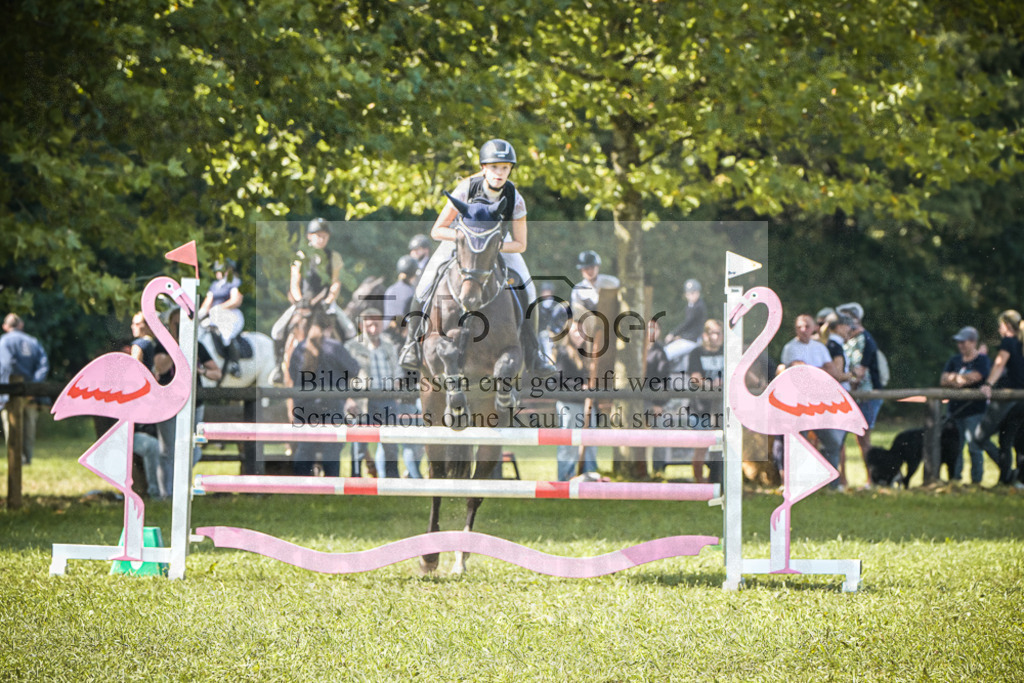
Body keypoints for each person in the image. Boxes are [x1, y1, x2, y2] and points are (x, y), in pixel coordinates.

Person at [399, 139, 557, 376]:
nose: (499, 173)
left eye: (505, 168)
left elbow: (521, 244)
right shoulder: (466, 188)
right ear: (484, 168)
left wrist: (490, 246)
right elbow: (437, 230)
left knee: (530, 290)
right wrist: (469, 240)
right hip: (459, 245)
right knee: (424, 285)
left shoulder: (516, 198)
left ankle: (533, 352)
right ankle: (411, 345)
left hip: (496, 248)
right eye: (494, 167)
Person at [271, 219, 356, 377]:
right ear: (310, 236)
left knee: (350, 330)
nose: (321, 239)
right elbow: (295, 282)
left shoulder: (334, 257)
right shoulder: (301, 256)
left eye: (324, 236)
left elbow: (336, 283)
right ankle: (278, 368)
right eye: (318, 235)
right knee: (277, 330)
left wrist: (329, 301)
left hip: (325, 302)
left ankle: (348, 366)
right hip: (304, 302)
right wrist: (299, 299)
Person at [153, 307, 222, 496]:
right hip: (168, 404)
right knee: (168, 451)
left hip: (194, 404)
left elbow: (217, 373)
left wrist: (202, 371)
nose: (180, 327)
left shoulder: (197, 345)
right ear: (170, 325)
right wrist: (176, 346)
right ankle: (166, 494)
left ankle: (181, 490)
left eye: (184, 323)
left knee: (193, 450)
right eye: (176, 324)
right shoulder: (162, 345)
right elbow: (161, 367)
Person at [778, 313, 845, 486]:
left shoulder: (820, 348)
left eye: (806, 326)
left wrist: (813, 371)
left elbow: (833, 372)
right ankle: (798, 485)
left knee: (832, 443)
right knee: (799, 445)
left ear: (814, 327)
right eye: (799, 326)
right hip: (799, 406)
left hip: (818, 405)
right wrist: (819, 370)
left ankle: (831, 484)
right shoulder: (790, 348)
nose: (803, 330)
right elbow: (799, 372)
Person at [288, 321, 361, 477]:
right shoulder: (334, 347)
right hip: (331, 405)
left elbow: (292, 374)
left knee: (304, 448)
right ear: (329, 327)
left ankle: (300, 486)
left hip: (304, 406)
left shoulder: (300, 347)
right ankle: (331, 484)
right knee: (331, 447)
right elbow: (354, 369)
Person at [346, 308, 402, 478]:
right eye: (369, 325)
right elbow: (343, 377)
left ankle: (393, 483)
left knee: (391, 445)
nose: (373, 329)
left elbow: (397, 372)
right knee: (359, 446)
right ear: (362, 326)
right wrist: (349, 399)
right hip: (363, 401)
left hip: (387, 400)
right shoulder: (352, 347)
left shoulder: (388, 346)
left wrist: (397, 387)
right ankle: (355, 481)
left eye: (376, 324)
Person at [975, 310, 1024, 487]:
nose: (998, 328)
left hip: (1008, 397)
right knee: (1008, 439)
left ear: (1007, 325)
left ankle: (1008, 475)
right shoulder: (1021, 343)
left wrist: (988, 384)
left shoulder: (1009, 342)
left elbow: (999, 364)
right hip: (1022, 401)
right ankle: (1010, 480)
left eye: (1000, 325)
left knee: (980, 437)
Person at [836, 302, 884, 484]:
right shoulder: (846, 342)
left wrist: (844, 378)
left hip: (866, 397)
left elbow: (860, 372)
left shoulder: (865, 339)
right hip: (852, 396)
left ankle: (871, 479)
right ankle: (842, 480)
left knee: (863, 439)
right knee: (840, 438)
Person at [940, 326, 990, 485]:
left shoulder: (981, 360)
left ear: (973, 342)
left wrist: (954, 378)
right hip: (954, 412)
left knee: (974, 447)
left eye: (964, 342)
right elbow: (943, 380)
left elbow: (977, 376)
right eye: (959, 342)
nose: (960, 345)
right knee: (955, 448)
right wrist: (960, 379)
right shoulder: (954, 360)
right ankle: (955, 479)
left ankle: (976, 481)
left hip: (974, 411)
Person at [0, 313, 50, 465]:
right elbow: (43, 365)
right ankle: (27, 459)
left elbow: (6, 365)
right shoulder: (33, 342)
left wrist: (9, 387)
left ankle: (16, 458)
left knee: (12, 426)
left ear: (5, 326)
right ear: (21, 325)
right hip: (30, 395)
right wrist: (32, 387)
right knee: (29, 427)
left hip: (9, 394)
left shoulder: (3, 342)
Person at [553, 320, 598, 480]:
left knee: (591, 440)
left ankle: (589, 474)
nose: (578, 335)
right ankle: (566, 476)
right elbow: (559, 379)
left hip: (588, 404)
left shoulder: (588, 355)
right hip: (569, 403)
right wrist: (581, 387)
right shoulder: (563, 353)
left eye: (580, 331)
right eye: (574, 332)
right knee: (569, 442)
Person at [686, 319, 725, 483]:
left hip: (723, 410)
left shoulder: (728, 352)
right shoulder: (696, 352)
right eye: (712, 333)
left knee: (721, 448)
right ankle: (700, 482)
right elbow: (695, 378)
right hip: (700, 408)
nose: (715, 337)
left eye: (719, 333)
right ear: (705, 335)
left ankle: (717, 481)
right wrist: (711, 385)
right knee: (701, 448)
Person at [199, 259, 245, 377]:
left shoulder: (234, 282)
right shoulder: (215, 285)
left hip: (231, 314)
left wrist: (219, 307)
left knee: (226, 334)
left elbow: (236, 300)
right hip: (215, 315)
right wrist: (199, 314)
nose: (218, 272)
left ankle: (235, 364)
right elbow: (207, 303)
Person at [664, 279, 708, 372]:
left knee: (665, 353)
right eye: (689, 293)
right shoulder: (691, 305)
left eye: (693, 293)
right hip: (688, 338)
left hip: (693, 340)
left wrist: (673, 334)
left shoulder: (698, 306)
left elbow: (687, 323)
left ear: (698, 293)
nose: (691, 296)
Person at [570, 250, 621, 317]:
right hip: (590, 322)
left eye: (592, 267)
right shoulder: (578, 290)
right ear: (581, 270)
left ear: (598, 267)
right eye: (586, 268)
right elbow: (577, 312)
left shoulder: (612, 282)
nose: (589, 271)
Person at [384, 255, 419, 346]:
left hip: (386, 335)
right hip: (403, 339)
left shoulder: (389, 290)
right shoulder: (413, 293)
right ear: (414, 273)